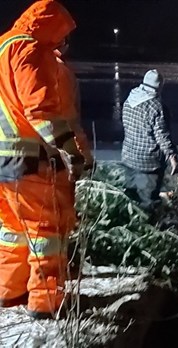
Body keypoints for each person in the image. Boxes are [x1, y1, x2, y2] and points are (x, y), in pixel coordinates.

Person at [0, 0, 84, 319]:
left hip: (2, 159)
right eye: (61, 35)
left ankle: (9, 291)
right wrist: (71, 152)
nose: (62, 43)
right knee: (46, 230)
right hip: (28, 158)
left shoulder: (2, 47)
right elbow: (41, 110)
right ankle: (46, 303)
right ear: (49, 25)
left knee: (12, 229)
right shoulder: (27, 50)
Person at [121, 69, 178, 216]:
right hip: (149, 162)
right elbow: (162, 136)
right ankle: (148, 226)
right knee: (149, 201)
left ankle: (130, 224)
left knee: (131, 197)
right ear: (159, 86)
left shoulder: (130, 100)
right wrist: (173, 157)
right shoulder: (156, 107)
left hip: (129, 156)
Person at [55, 39, 94, 171]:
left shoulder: (32, 65)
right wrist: (86, 157)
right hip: (62, 154)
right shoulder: (60, 71)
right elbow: (70, 119)